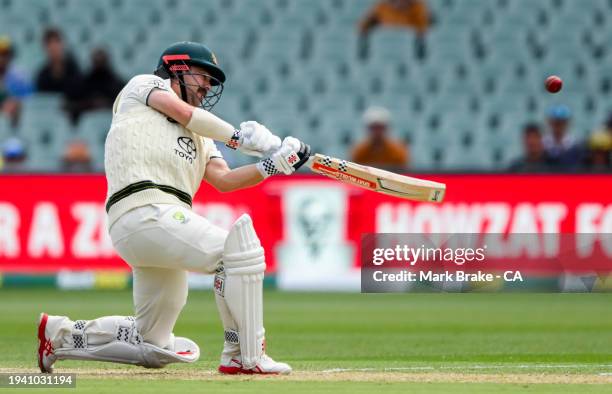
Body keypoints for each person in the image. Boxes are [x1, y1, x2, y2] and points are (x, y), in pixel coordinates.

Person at [37, 42, 311, 375]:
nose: (208, 86)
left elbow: (224, 180)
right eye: (203, 77)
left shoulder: (202, 137)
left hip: (155, 227)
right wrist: (240, 139)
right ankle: (243, 354)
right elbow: (183, 113)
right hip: (146, 209)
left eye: (212, 81)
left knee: (152, 344)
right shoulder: (144, 87)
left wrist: (273, 165)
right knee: (240, 254)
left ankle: (59, 335)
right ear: (178, 69)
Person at [35, 28, 83, 123]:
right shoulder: (42, 75)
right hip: (49, 120)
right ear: (45, 48)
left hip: (73, 121)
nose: (53, 47)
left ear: (62, 44)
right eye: (49, 44)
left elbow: (81, 99)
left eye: (56, 42)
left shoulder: (74, 71)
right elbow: (42, 102)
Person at [358, 0, 430, 60]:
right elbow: (363, 25)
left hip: (408, 50)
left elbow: (423, 28)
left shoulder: (418, 7)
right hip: (384, 48)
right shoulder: (381, 7)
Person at [67, 48, 124, 118]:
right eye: (97, 60)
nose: (99, 62)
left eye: (101, 59)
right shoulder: (85, 83)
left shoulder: (116, 83)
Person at [350, 106, 409, 171]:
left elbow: (403, 172)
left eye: (380, 127)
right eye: (374, 128)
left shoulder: (398, 150)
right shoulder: (359, 150)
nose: (377, 131)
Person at [0, 36, 34, 126]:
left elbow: (29, 102)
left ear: (10, 55)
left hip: (18, 123)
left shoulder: (21, 77)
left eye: (4, 53)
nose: (1, 58)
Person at [542, 105, 582, 170]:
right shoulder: (543, 142)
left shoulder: (574, 143)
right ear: (550, 122)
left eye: (561, 122)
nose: (558, 126)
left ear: (567, 123)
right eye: (556, 122)